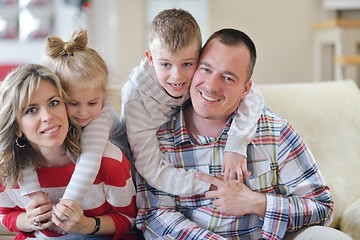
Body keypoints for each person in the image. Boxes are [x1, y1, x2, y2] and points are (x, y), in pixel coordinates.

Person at [134, 28, 352, 240]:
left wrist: (256, 203)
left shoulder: (274, 131)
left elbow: (321, 206)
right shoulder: (160, 137)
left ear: (246, 89)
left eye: (228, 78)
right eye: (206, 69)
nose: (211, 86)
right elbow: (154, 215)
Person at [121, 8, 264, 196]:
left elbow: (251, 95)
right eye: (165, 64)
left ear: (200, 57)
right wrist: (211, 186)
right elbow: (150, 169)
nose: (177, 77)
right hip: (138, 171)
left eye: (187, 64)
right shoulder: (136, 99)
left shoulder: (203, 78)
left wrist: (236, 144)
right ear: (150, 59)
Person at [0, 64, 137, 239]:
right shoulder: (6, 169)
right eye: (31, 110)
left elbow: (128, 219)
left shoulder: (109, 161)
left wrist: (87, 225)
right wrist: (28, 221)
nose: (48, 116)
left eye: (54, 103)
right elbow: (5, 215)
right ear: (17, 127)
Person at [18, 29, 124, 206]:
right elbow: (22, 151)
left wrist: (67, 204)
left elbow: (89, 161)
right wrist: (33, 194)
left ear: (103, 97)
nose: (83, 113)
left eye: (92, 103)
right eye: (73, 103)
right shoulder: (49, 119)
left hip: (114, 175)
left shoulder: (100, 117)